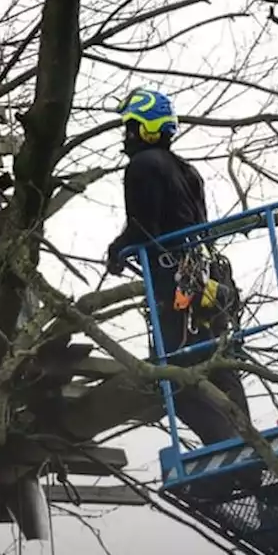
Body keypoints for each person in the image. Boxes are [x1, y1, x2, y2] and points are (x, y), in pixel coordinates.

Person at [104, 88, 252, 448]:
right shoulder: (188, 171)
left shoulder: (142, 167)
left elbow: (144, 228)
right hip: (203, 279)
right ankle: (249, 443)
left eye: (132, 127)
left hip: (175, 289)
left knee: (176, 382)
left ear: (149, 129)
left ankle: (226, 447)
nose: (127, 136)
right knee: (219, 365)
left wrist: (117, 250)